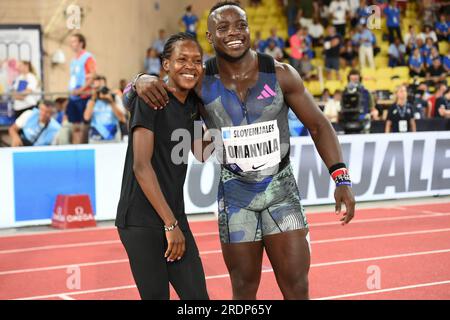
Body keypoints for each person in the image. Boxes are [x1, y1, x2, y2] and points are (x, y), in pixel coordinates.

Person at [125, 1, 355, 300]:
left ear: (249, 30)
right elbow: (154, 92)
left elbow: (319, 126)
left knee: (297, 287)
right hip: (235, 195)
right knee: (244, 290)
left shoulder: (282, 74)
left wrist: (341, 178)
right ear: (210, 37)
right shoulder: (198, 80)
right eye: (223, 28)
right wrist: (138, 81)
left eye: (241, 26)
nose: (234, 33)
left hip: (280, 190)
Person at [116, 33, 210, 300]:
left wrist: (211, 111)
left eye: (197, 61)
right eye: (182, 59)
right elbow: (141, 167)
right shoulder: (151, 97)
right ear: (166, 64)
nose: (190, 66)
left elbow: (203, 153)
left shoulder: (192, 105)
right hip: (141, 219)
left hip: (174, 215)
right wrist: (171, 225)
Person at [66, 33, 96, 144]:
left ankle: (83, 148)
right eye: (71, 41)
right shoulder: (73, 60)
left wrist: (81, 90)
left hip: (84, 96)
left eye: (74, 41)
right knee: (75, 126)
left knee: (84, 126)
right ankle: (75, 148)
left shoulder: (87, 57)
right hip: (74, 97)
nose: (71, 44)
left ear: (81, 43)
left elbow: (92, 76)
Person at [83, 75, 126, 143]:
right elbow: (86, 117)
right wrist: (93, 98)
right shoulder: (91, 101)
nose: (100, 91)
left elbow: (122, 119)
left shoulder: (115, 98)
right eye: (96, 88)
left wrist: (111, 102)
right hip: (95, 138)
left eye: (101, 88)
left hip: (113, 137)